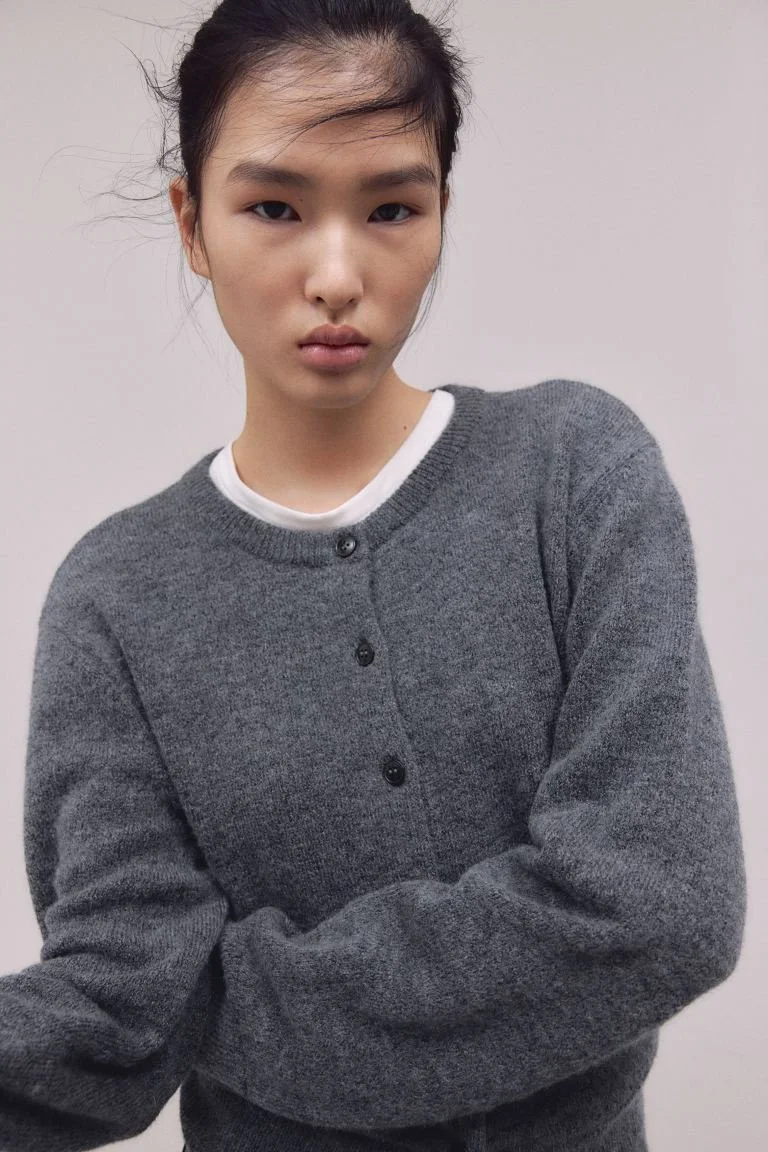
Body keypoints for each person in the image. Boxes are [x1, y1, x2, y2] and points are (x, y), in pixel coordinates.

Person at [2, 2, 747, 1152]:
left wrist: (215, 996)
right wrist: (156, 999)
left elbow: (664, 900)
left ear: (443, 210)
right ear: (193, 225)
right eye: (274, 208)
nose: (338, 274)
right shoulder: (115, 599)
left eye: (392, 207)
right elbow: (117, 1004)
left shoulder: (574, 474)